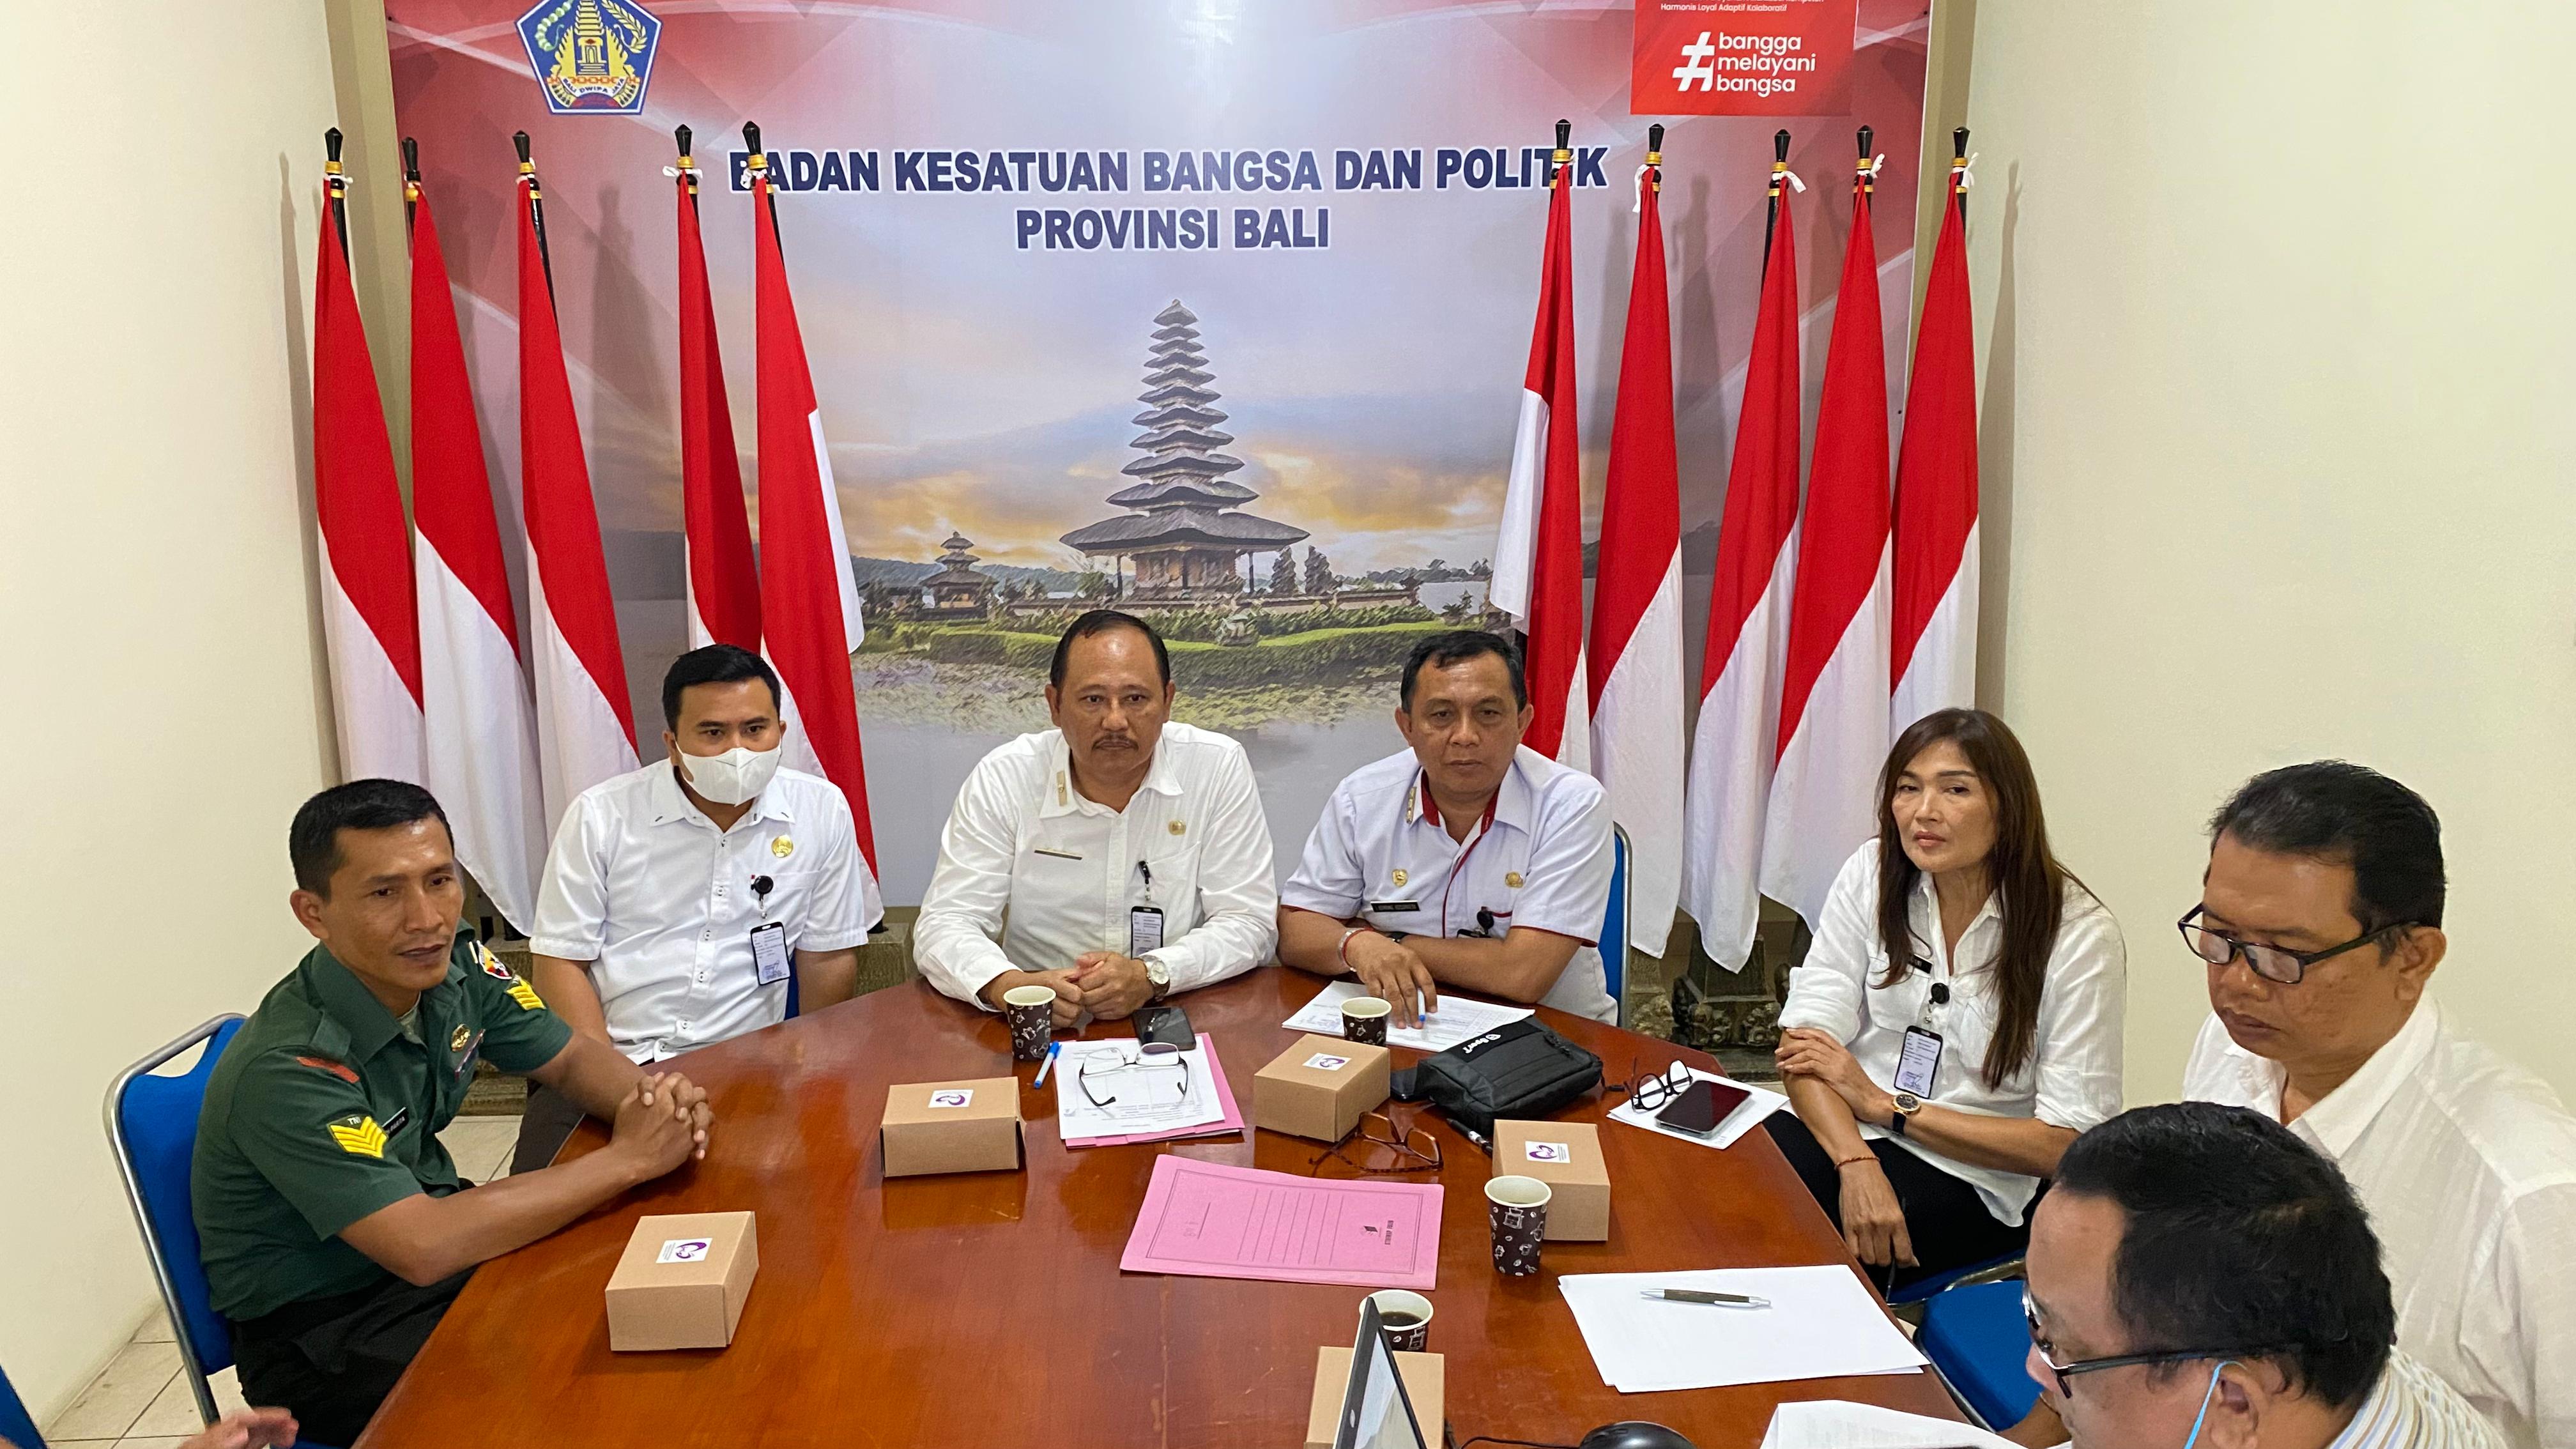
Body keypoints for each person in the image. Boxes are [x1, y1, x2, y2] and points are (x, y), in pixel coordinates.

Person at [194, 782, 712, 1446]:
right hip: (332, 1330)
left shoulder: (453, 960)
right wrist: (630, 1159)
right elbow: (424, 1246)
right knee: (585, 1390)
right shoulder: (289, 1066)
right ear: (313, 913)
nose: (427, 918)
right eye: (385, 893)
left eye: (439, 881)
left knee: (644, 1301)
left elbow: (568, 1058)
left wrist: (655, 1103)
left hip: (434, 1256)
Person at [2180, 762, 2575, 1449]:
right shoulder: (2231, 1049)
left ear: (2413, 957)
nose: (2238, 983)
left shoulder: (2530, 1192)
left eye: (2285, 954)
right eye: (2219, 938)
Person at [1766, 708, 2125, 1291]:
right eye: (1908, 789)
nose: (1924, 812)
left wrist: (1885, 1106)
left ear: (2008, 808)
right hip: (1847, 1135)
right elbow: (1804, 1048)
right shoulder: (1873, 872)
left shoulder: (2078, 934)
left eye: (1955, 790)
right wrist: (1856, 1162)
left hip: (1976, 1175)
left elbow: (2067, 1146)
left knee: (1796, 1248)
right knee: (1727, 1184)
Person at [514, 644, 882, 1172]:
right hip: (611, 1062)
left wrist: (807, 1076)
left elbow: (827, 958)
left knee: (804, 1196)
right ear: (673, 744)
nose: (738, 750)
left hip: (749, 1064)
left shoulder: (820, 810)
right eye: (713, 733)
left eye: (755, 729)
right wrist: (618, 1088)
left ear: (780, 731)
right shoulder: (600, 816)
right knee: (550, 1209)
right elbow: (560, 964)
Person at [2025, 1102, 2502, 1449]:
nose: (2036, 1368)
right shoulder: (2322, 1362)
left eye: (2064, 1352)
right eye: (2038, 1321)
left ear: (2234, 1404)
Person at [915, 610, 1276, 1020]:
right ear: (1055, 705)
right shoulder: (1007, 775)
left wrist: (1153, 974)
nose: (1115, 721)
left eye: (1136, 699)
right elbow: (947, 922)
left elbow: (1249, 922)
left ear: (1167, 702)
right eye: (1093, 700)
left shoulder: (1215, 766)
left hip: (1176, 1010)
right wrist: (1010, 987)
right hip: (1037, 1018)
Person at [1277, 629, 1616, 1024]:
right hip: (1405, 1023)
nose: (1465, 736)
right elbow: (1296, 932)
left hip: (1551, 1032)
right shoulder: (1362, 798)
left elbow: (1523, 974)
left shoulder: (1571, 804)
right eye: (1441, 715)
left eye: (1488, 714)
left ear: (1522, 722)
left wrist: (1382, 941)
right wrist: (1356, 944)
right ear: (1406, 727)